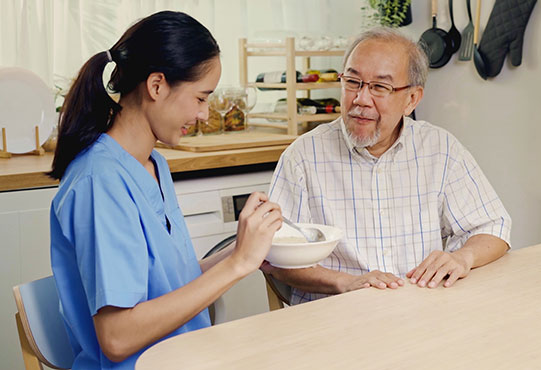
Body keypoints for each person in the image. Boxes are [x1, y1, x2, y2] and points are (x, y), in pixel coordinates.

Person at [48, 11, 282, 369]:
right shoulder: (100, 183)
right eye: (201, 98)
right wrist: (237, 264)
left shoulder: (153, 164)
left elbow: (169, 287)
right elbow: (117, 337)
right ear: (156, 86)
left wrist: (244, 252)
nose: (205, 114)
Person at [263, 27, 511, 305]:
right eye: (352, 82)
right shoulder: (303, 157)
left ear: (412, 99)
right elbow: (275, 258)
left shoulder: (440, 149)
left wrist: (462, 258)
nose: (360, 99)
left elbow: (493, 227)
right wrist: (347, 283)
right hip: (335, 318)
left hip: (422, 311)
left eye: (380, 87)